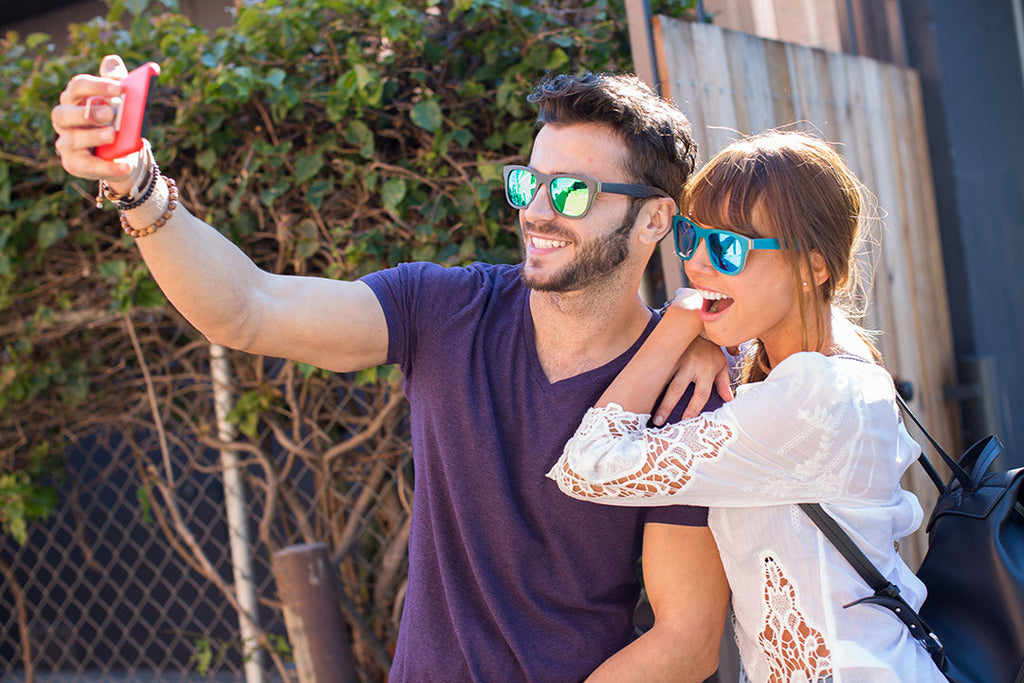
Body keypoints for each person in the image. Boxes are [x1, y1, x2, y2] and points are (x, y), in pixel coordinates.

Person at [52, 56, 734, 681]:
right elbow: (248, 307)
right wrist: (136, 184)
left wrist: (704, 331)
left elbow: (688, 638)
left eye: (574, 193)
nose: (536, 211)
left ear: (653, 221)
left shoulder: (685, 391)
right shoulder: (445, 311)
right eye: (530, 182)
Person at [547, 131, 947, 682]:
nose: (697, 265)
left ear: (813, 267)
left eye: (729, 248)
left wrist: (679, 324)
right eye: (691, 237)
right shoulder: (821, 370)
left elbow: (589, 466)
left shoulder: (815, 395)